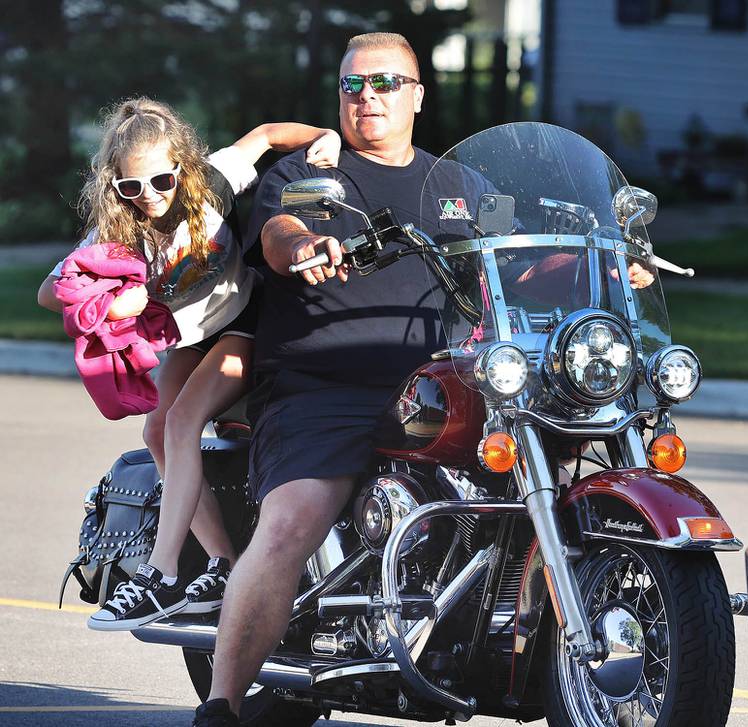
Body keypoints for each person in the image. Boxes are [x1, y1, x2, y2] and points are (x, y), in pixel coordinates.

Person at [190, 31, 496, 726]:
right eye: (353, 86)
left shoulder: (461, 184)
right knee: (294, 517)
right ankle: (222, 704)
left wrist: (591, 262)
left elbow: (517, 252)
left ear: (418, 95)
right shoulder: (310, 171)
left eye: (385, 83)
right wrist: (305, 245)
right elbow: (278, 231)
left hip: (443, 385)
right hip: (323, 383)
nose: (368, 98)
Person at [37, 97, 341, 630]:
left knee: (181, 423)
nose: (149, 197)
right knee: (156, 432)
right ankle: (222, 563)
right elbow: (48, 291)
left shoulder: (214, 184)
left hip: (246, 322)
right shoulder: (118, 231)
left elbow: (267, 131)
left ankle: (161, 572)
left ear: (183, 167)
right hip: (189, 339)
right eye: (131, 187)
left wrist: (323, 135)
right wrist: (111, 303)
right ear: (114, 186)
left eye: (161, 182)